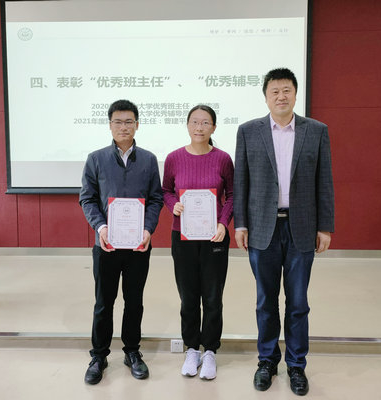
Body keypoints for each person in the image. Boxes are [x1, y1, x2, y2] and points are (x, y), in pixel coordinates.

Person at [233, 68, 334, 396]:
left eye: (286, 90)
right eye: (274, 91)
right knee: (265, 300)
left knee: (298, 301)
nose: (281, 96)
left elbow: (324, 181)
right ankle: (266, 361)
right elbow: (241, 182)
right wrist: (240, 224)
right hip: (261, 228)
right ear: (266, 96)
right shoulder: (248, 131)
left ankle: (296, 364)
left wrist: (325, 227)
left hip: (301, 227)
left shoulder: (316, 131)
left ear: (295, 93)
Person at [79, 99, 163, 385]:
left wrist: (148, 229)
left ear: (137, 125)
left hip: (139, 245)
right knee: (104, 302)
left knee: (134, 301)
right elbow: (87, 198)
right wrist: (101, 227)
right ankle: (99, 356)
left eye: (129, 122)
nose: (123, 127)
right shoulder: (96, 158)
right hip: (106, 245)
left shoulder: (149, 160)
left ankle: (132, 352)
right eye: (118, 121)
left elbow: (156, 199)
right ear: (110, 125)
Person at [162, 105, 234, 380]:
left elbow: (233, 194)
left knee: (213, 296)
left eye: (205, 123)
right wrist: (174, 205)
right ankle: (192, 348)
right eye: (194, 122)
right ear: (187, 125)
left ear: (214, 127)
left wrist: (223, 223)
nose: (199, 127)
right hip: (183, 237)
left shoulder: (223, 159)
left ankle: (210, 350)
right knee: (188, 296)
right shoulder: (174, 158)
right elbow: (165, 190)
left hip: (215, 236)